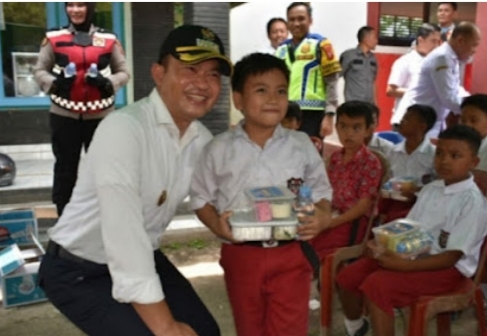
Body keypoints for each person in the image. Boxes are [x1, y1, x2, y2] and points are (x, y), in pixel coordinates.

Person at [37, 24, 233, 336]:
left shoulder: (201, 140)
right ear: (158, 73)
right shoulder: (124, 130)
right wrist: (166, 326)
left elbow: (221, 195)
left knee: (205, 332)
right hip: (78, 270)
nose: (203, 83)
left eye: (213, 75)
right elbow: (123, 236)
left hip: (145, 254)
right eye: (190, 69)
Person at [190, 52, 332, 336]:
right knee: (249, 327)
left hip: (291, 253)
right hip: (241, 256)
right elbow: (200, 198)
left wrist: (322, 216)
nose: (273, 99)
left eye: (280, 91)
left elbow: (319, 191)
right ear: (238, 100)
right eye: (261, 90)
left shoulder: (301, 144)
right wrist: (217, 224)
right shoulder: (218, 149)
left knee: (290, 329)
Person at [336, 124, 487, 336]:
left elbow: (451, 257)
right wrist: (381, 244)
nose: (444, 160)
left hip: (447, 270)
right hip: (412, 254)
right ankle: (357, 328)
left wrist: (402, 266)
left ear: (473, 162)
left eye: (455, 156)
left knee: (377, 285)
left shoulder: (471, 202)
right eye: (440, 153)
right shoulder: (431, 189)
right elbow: (406, 229)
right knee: (348, 276)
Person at [33, 2, 130, 216]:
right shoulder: (54, 38)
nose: (75, 10)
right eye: (70, 5)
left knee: (103, 169)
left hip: (101, 116)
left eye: (81, 5)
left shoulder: (109, 39)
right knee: (65, 170)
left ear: (91, 7)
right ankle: (64, 220)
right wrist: (55, 83)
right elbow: (39, 70)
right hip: (64, 115)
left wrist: (108, 83)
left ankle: (103, 216)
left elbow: (124, 72)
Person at [310, 101, 382, 261]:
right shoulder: (335, 158)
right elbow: (325, 190)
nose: (348, 133)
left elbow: (363, 206)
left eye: (356, 128)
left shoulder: (370, 163)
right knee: (304, 235)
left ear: (368, 130)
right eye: (343, 126)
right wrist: (323, 214)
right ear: (336, 128)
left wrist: (333, 222)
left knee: (320, 248)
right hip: (332, 213)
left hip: (353, 221)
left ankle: (323, 281)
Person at [395, 22, 480, 139]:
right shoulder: (442, 58)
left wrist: (472, 101)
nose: (474, 50)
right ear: (460, 41)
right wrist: (473, 111)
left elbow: (455, 89)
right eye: (474, 45)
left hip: (429, 122)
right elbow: (448, 98)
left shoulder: (450, 58)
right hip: (415, 121)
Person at [275, 2, 341, 139]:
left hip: (313, 114)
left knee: (311, 156)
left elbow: (332, 82)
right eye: (292, 20)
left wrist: (329, 115)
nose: (296, 23)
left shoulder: (321, 44)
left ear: (310, 20)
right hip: (285, 113)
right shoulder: (281, 49)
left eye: (301, 19)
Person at [380, 104, 437, 223]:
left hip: (420, 205)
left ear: (422, 126)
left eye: (407, 119)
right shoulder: (393, 151)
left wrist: (416, 192)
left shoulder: (434, 154)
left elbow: (438, 184)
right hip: (391, 201)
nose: (401, 121)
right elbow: (386, 177)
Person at [387, 23, 441, 130]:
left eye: (438, 41)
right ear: (421, 40)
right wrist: (418, 91)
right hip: (404, 120)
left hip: (426, 123)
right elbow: (390, 90)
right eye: (433, 41)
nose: (436, 46)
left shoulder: (435, 63)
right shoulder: (405, 61)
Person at [340, 26, 379, 104]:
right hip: (353, 104)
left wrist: (375, 103)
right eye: (374, 37)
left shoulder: (373, 59)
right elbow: (335, 76)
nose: (376, 41)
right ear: (365, 39)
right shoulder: (349, 55)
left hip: (369, 104)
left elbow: (373, 82)